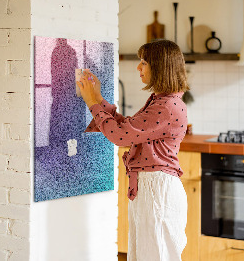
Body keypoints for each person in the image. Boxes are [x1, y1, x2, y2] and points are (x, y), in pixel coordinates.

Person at [76, 39, 189, 261]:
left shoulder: (166, 106)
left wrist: (92, 103)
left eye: (144, 62)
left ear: (160, 66)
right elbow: (128, 128)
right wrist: (98, 98)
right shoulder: (162, 101)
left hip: (157, 190)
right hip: (151, 188)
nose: (138, 67)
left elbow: (120, 136)